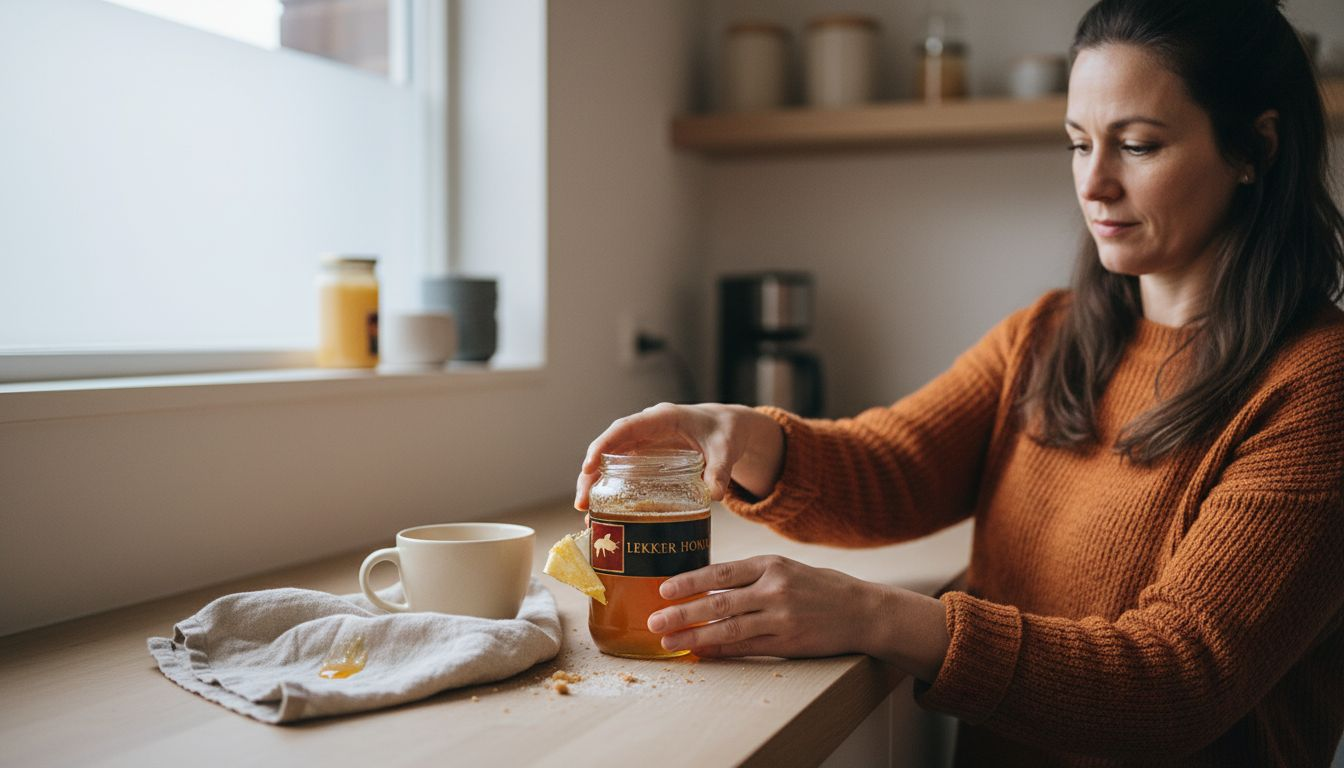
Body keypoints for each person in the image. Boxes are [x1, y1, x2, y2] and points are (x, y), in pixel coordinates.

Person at [574, 0, 1344, 764]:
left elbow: (1176, 682)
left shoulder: (1317, 386)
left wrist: (877, 617)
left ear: (1256, 148)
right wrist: (742, 435)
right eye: (1079, 144)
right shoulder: (1047, 336)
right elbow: (897, 465)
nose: (1095, 184)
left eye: (1138, 145)